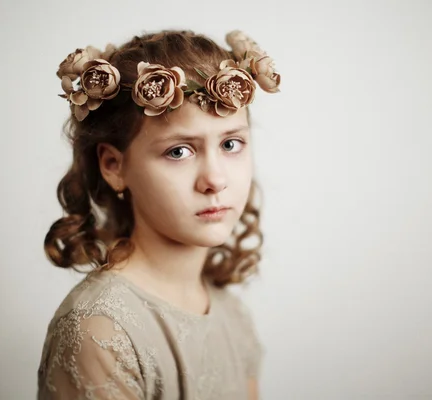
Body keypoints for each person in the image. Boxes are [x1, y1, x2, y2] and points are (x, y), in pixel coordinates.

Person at [36, 29, 281, 400]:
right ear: (114, 165)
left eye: (231, 144)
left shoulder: (233, 317)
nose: (215, 180)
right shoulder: (100, 331)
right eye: (179, 152)